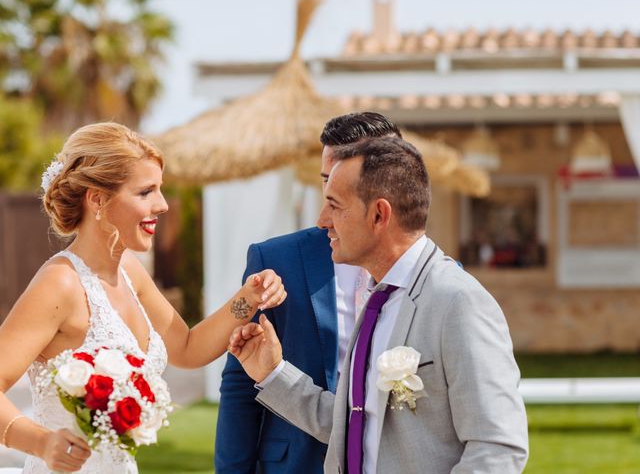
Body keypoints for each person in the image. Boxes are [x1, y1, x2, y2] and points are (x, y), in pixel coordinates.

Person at [229, 137, 529, 474]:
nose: (323, 220)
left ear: (378, 215)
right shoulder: (377, 299)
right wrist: (273, 372)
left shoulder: (459, 302)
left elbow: (498, 449)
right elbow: (358, 425)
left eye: (335, 205)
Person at [0, 122, 286, 474]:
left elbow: (187, 347)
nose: (163, 205)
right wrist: (41, 443)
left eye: (160, 190)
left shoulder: (129, 272)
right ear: (98, 199)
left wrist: (250, 296)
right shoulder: (61, 283)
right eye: (145, 192)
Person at [215, 112, 402, 473]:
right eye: (324, 181)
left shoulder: (431, 279)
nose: (326, 202)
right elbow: (240, 378)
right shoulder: (274, 258)